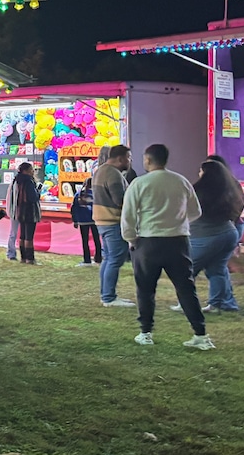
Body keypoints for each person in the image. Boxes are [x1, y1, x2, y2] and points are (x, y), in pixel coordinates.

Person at [120, 143, 214, 349]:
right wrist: (179, 221)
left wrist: (131, 238)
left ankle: (145, 332)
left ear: (147, 160)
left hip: (148, 241)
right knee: (185, 288)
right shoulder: (180, 181)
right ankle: (200, 334)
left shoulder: (139, 183)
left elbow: (127, 215)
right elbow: (195, 211)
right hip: (178, 241)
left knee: (145, 289)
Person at [176, 159, 244, 312]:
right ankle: (217, 304)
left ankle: (186, 304)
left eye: (201, 170)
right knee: (217, 270)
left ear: (205, 173)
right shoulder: (230, 188)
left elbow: (186, 212)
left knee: (186, 271)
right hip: (228, 233)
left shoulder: (198, 190)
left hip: (204, 236)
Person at [94, 145, 137, 307]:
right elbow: (120, 200)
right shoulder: (113, 174)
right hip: (113, 221)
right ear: (120, 158)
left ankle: (106, 294)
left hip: (102, 221)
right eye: (128, 157)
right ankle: (109, 297)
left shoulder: (100, 170)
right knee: (115, 259)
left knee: (108, 258)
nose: (130, 161)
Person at [8, 162, 41, 264]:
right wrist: (38, 191)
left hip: (20, 211)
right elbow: (32, 197)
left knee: (22, 235)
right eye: (31, 170)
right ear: (26, 171)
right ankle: (30, 258)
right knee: (29, 236)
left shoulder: (16, 180)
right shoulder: (28, 182)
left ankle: (23, 257)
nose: (33, 172)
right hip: (30, 212)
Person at [71, 176, 101, 266]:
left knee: (85, 240)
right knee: (97, 239)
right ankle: (98, 258)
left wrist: (75, 220)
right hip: (95, 220)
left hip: (82, 220)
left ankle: (87, 259)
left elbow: (74, 208)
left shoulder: (79, 194)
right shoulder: (97, 194)